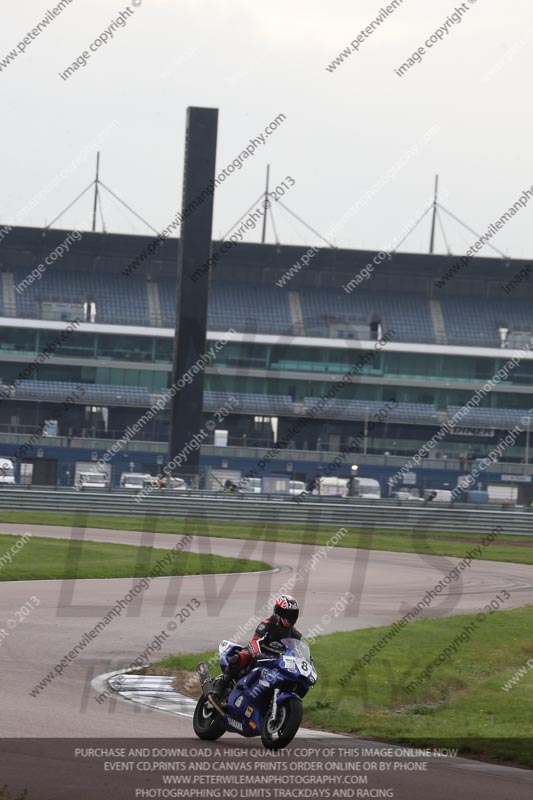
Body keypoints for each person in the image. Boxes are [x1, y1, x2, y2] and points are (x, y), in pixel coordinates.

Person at [216, 595, 301, 697]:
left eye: (292, 614)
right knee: (241, 656)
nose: (290, 617)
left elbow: (298, 651)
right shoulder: (267, 624)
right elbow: (255, 640)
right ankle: (222, 683)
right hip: (260, 654)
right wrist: (256, 653)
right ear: (278, 611)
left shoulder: (295, 634)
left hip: (277, 660)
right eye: (287, 614)